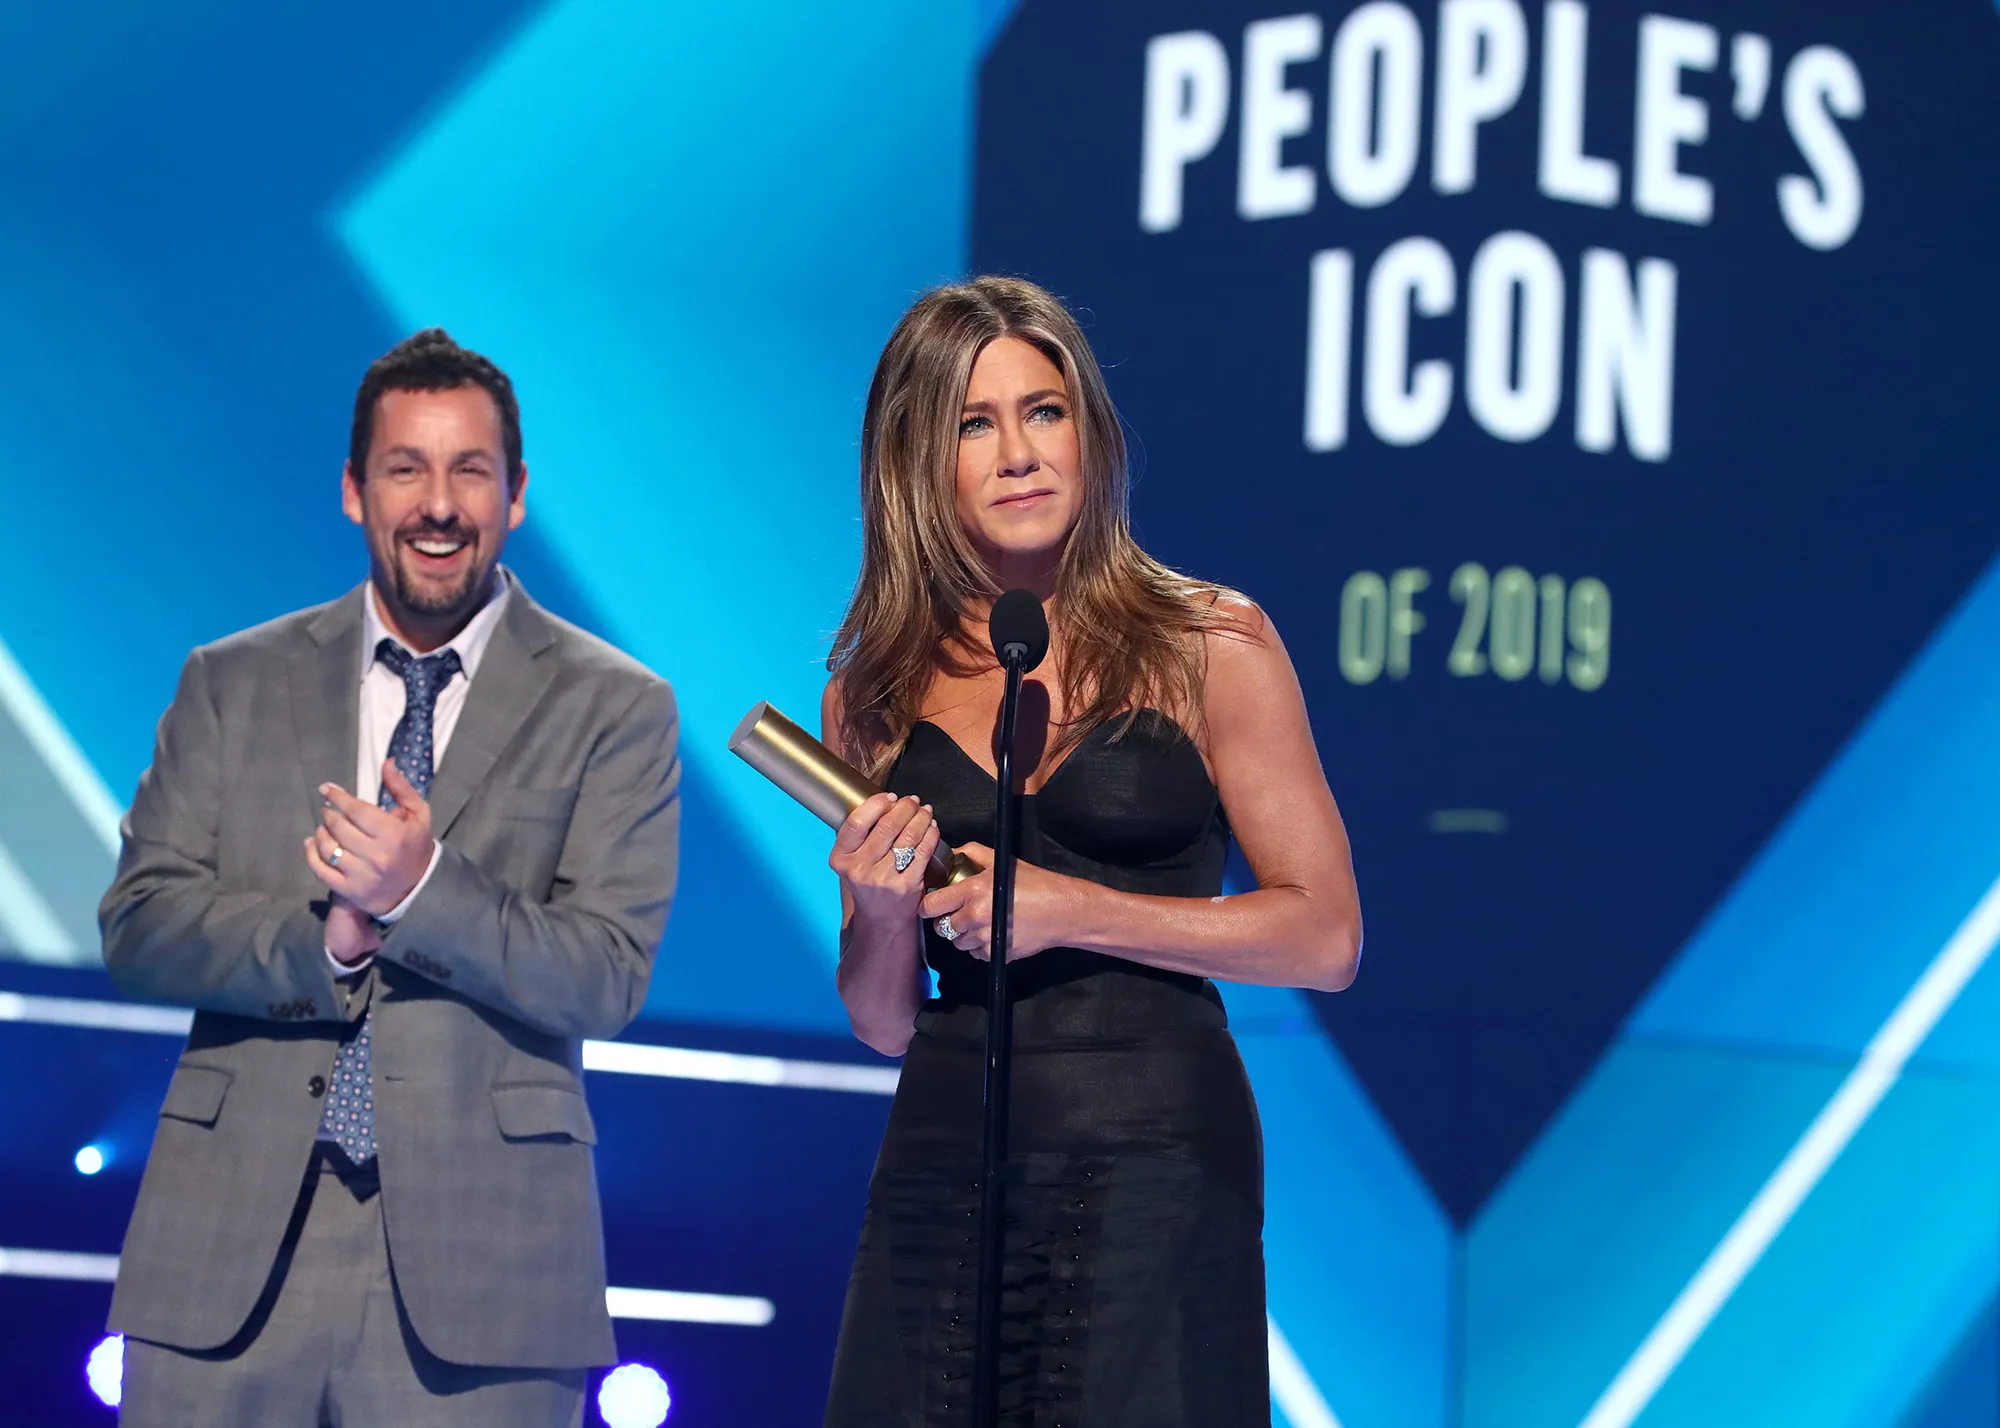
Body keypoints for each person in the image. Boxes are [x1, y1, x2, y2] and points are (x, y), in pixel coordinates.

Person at [100, 329, 681, 1428]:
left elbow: (606, 974)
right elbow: (140, 925)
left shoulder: (616, 705)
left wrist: (425, 895)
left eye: (471, 469)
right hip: (226, 1251)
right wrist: (328, 940)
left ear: (515, 497)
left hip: (486, 1266)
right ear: (353, 491)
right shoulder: (231, 680)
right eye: (405, 467)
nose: (438, 503)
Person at [820, 277, 1362, 1426]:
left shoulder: (1208, 641)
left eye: (1043, 411)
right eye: (975, 424)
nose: (1017, 452)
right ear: (918, 461)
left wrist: (1073, 910)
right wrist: (875, 913)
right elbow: (880, 1020)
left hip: (1154, 1155)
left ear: (1088, 432)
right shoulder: (871, 691)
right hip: (940, 1159)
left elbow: (1323, 936)